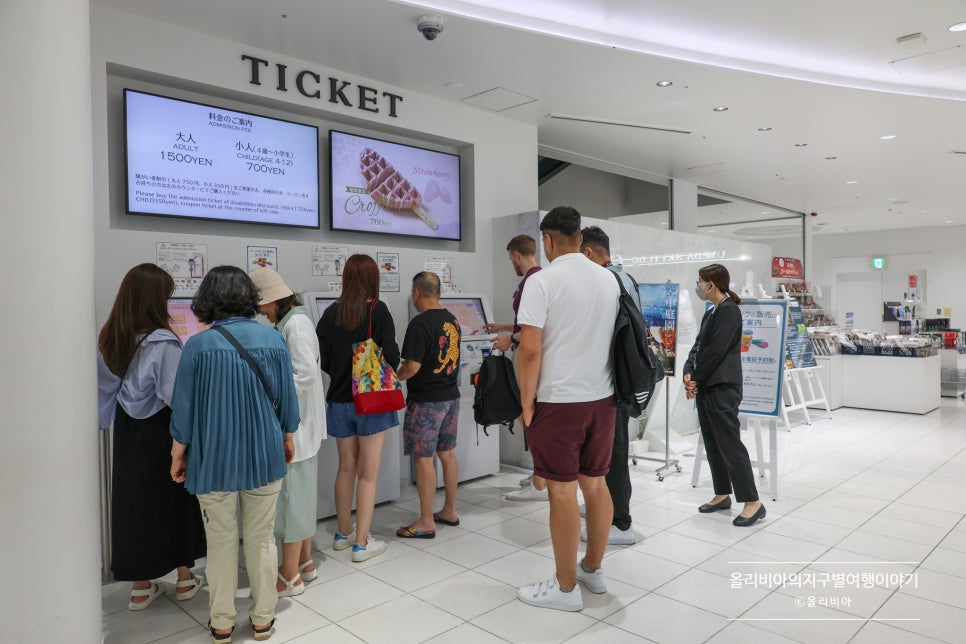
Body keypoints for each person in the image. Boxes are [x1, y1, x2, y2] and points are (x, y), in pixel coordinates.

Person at [169, 266, 300, 643]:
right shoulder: (273, 340)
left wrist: (179, 455)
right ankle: (262, 620)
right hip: (265, 455)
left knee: (221, 542)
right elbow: (288, 405)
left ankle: (222, 623)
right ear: (249, 297)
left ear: (207, 299)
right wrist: (287, 438)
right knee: (261, 540)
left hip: (214, 462)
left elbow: (185, 413)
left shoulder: (197, 346)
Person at [516, 206, 620, 612]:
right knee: (595, 484)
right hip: (603, 398)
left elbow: (529, 350)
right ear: (580, 236)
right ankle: (592, 569)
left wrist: (526, 404)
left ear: (547, 240)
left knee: (561, 492)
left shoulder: (542, 282)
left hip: (559, 401)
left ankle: (564, 589)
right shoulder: (608, 280)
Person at [97, 263, 206, 611]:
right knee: (174, 502)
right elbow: (177, 397)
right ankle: (186, 578)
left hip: (127, 432)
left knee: (134, 504)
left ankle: (141, 587)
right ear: (154, 301)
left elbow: (104, 391)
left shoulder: (111, 337)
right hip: (162, 432)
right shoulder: (163, 342)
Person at [316, 254, 400, 563]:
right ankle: (362, 543)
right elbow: (392, 354)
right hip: (371, 403)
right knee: (368, 474)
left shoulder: (330, 313)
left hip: (338, 400)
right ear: (372, 279)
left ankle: (342, 534)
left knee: (345, 467)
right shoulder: (378, 311)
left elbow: (322, 358)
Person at [250, 268, 327, 598]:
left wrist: (270, 392)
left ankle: (289, 575)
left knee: (293, 503)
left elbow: (305, 376)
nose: (262, 313)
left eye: (263, 306)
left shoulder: (294, 326)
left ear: (275, 302)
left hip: (299, 428)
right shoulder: (296, 321)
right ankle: (306, 563)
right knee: (301, 500)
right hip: (304, 428)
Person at [683, 263, 765, 527]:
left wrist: (695, 380)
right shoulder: (712, 312)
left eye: (700, 281)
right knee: (713, 442)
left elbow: (715, 353)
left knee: (729, 444)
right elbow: (698, 347)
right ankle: (722, 493)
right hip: (708, 386)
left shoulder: (729, 311)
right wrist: (688, 371)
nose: (698, 286)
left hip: (722, 387)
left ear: (711, 284)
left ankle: (753, 502)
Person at [580, 225, 639, 545]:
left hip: (612, 383)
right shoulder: (625, 277)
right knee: (612, 451)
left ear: (588, 252)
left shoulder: (608, 281)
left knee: (614, 454)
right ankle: (611, 513)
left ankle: (621, 522)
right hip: (622, 379)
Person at [481, 234, 549, 502]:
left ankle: (540, 483)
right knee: (530, 415)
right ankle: (538, 476)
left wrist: (511, 338)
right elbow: (529, 323)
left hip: (528, 355)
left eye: (511, 258)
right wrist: (505, 327)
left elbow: (534, 331)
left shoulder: (531, 281)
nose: (511, 262)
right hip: (532, 353)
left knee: (528, 415)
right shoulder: (541, 278)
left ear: (517, 255)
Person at [395, 272, 462, 539]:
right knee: (447, 453)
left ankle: (425, 522)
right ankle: (449, 510)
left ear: (416, 293)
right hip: (451, 398)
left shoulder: (419, 324)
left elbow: (412, 366)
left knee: (424, 460)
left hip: (426, 403)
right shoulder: (452, 319)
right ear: (439, 292)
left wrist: (392, 377)